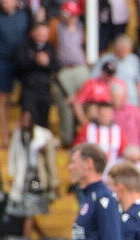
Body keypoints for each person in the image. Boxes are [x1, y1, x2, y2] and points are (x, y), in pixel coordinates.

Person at [0, 0, 31, 148]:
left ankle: (21, 133)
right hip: (3, 62)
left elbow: (30, 36)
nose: (4, 3)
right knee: (4, 97)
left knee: (28, 97)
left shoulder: (24, 16)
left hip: (21, 62)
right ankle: (5, 138)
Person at [6, 110, 60, 237]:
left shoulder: (42, 133)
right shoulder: (18, 135)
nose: (25, 122)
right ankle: (40, 236)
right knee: (26, 210)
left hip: (38, 175)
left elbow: (56, 144)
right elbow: (13, 155)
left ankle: (29, 239)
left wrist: (46, 148)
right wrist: (11, 174)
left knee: (30, 211)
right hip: (23, 176)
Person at [53, 1, 89, 147]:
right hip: (64, 70)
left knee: (83, 104)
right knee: (66, 104)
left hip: (80, 68)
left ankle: (82, 135)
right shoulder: (57, 28)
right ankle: (67, 138)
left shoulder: (82, 28)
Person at [15, 22, 59, 129]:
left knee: (43, 121)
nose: (41, 37)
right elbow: (19, 64)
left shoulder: (50, 47)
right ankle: (25, 139)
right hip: (29, 88)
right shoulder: (25, 46)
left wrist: (46, 63)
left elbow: (56, 66)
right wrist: (35, 61)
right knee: (27, 116)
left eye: (44, 35)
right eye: (39, 34)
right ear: (33, 33)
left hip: (45, 88)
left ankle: (41, 143)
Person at [92, 34, 140, 111]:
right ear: (115, 48)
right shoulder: (106, 59)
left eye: (126, 49)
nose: (123, 51)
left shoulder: (134, 60)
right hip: (110, 101)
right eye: (121, 49)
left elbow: (139, 83)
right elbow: (94, 79)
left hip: (131, 100)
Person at [74, 101, 127, 175]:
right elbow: (77, 147)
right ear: (97, 114)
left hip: (112, 171)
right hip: (91, 170)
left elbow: (123, 151)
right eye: (102, 114)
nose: (104, 116)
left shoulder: (118, 130)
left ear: (111, 114)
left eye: (107, 114)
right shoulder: (88, 128)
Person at [72, 61, 128, 127]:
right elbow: (78, 103)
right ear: (102, 72)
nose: (109, 76)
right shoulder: (92, 84)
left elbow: (123, 104)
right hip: (95, 118)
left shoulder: (120, 84)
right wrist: (84, 122)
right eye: (107, 73)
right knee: (93, 108)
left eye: (111, 74)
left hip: (114, 116)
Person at [111, 83, 140, 153]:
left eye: (119, 97)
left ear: (124, 96)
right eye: (114, 97)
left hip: (135, 153)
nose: (117, 100)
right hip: (116, 153)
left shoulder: (134, 110)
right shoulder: (108, 112)